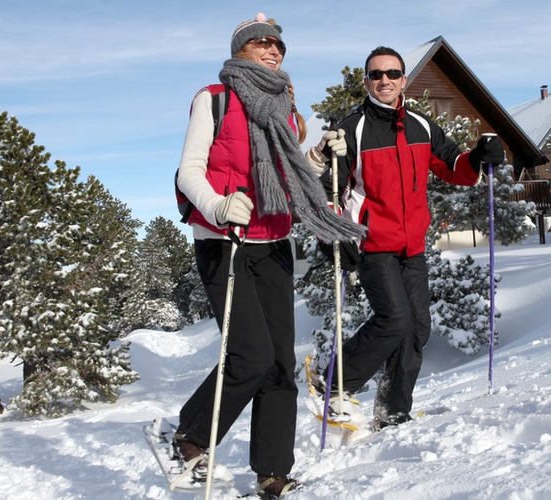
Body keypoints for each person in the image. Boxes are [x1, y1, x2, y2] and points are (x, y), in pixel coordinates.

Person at [173, 13, 365, 497]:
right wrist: (218, 205)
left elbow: (288, 172)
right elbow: (188, 171)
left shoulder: (288, 110)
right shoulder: (214, 100)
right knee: (251, 355)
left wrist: (319, 155)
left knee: (280, 364)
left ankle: (273, 472)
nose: (272, 49)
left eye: (278, 44)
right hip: (225, 243)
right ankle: (192, 436)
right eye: (260, 42)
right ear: (240, 51)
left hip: (274, 244)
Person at [306, 46, 505, 429]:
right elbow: (327, 189)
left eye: (392, 74)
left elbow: (453, 167)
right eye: (376, 74)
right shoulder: (352, 129)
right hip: (371, 243)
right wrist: (334, 233)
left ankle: (393, 409)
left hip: (412, 245)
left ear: (404, 80)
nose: (384, 80)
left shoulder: (420, 125)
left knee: (417, 327)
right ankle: (333, 381)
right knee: (394, 319)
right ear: (366, 81)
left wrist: (480, 156)